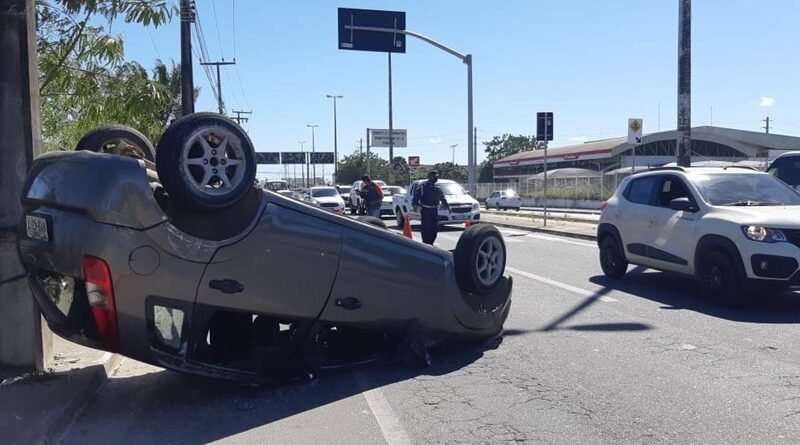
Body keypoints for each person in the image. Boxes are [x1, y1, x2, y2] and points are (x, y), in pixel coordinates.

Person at [412, 171, 447, 245]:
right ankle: (426, 243)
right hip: (425, 209)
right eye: (434, 177)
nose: (435, 178)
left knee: (434, 228)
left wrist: (447, 206)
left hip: (434, 210)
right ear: (430, 177)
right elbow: (416, 197)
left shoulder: (437, 187)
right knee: (426, 228)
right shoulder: (423, 186)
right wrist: (415, 205)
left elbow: (442, 197)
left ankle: (431, 243)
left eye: (436, 177)